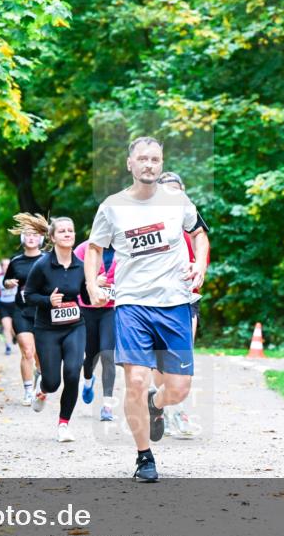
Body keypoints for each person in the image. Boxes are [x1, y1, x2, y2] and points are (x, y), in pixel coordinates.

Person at [85, 137, 210, 482]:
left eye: (155, 159)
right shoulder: (112, 206)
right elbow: (95, 249)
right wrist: (93, 285)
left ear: (161, 163)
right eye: (142, 159)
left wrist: (200, 264)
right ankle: (144, 457)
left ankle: (156, 405)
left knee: (179, 389)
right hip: (132, 305)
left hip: (174, 303)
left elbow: (199, 234)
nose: (149, 165)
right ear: (130, 163)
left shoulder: (177, 200)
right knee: (136, 380)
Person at [22, 214, 86, 443]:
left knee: (73, 373)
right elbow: (28, 295)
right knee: (52, 382)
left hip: (75, 326)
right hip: (47, 329)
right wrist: (48, 301)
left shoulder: (82, 266)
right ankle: (42, 389)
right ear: (52, 237)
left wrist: (98, 288)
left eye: (71, 230)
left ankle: (63, 425)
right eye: (62, 231)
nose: (68, 234)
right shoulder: (42, 265)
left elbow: (86, 296)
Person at [156, 171, 207, 438]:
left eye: (176, 190)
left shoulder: (191, 224)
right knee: (159, 360)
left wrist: (198, 267)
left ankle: (178, 411)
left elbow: (202, 254)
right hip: (156, 302)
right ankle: (161, 410)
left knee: (183, 356)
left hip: (188, 299)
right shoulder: (153, 224)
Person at [74, 239, 118, 421]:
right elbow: (72, 274)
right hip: (88, 308)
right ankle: (87, 380)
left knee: (107, 354)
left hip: (111, 309)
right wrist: (91, 281)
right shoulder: (84, 248)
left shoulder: (124, 245)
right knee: (91, 354)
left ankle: (107, 405)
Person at [5, 216, 46, 405]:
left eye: (35, 235)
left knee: (40, 356)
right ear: (23, 238)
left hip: (42, 313)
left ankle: (39, 375)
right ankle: (28, 391)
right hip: (21, 311)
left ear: (41, 239)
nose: (31, 238)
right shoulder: (16, 261)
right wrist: (9, 283)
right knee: (27, 351)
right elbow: (6, 281)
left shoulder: (47, 260)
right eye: (28, 235)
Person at [0, 258, 17, 356]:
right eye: (4, 265)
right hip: (4, 305)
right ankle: (8, 346)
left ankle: (15, 336)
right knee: (6, 327)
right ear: (1, 267)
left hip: (15, 305)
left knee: (14, 328)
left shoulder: (16, 277)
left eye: (8, 265)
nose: (6, 267)